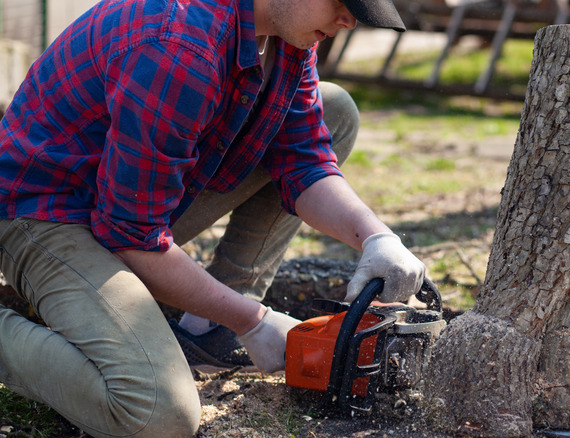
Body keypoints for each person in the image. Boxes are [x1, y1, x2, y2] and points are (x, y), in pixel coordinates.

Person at [0, 0, 426, 436]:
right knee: (155, 414)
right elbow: (131, 233)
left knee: (335, 110)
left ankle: (208, 328)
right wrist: (252, 320)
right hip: (45, 214)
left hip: (129, 202)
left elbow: (304, 160)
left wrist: (378, 238)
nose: (348, 20)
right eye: (340, 2)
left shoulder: (283, 32)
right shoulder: (181, 46)